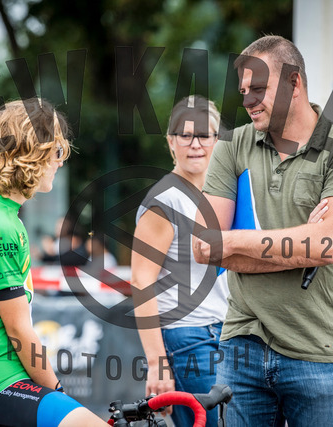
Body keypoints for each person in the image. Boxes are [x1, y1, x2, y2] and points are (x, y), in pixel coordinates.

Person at [192, 35, 333, 425]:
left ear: (294, 82)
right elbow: (204, 247)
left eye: (258, 88)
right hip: (241, 343)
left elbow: (327, 246)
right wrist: (301, 245)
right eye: (243, 91)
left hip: (317, 349)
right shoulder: (231, 145)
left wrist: (234, 244)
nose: (248, 100)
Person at [0, 98, 107, 427]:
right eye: (56, 150)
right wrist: (57, 391)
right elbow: (19, 330)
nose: (61, 161)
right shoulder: (0, 225)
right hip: (0, 383)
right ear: (30, 153)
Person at [130, 95, 229, 427]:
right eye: (185, 135)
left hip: (226, 332)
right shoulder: (166, 201)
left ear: (217, 140)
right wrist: (157, 365)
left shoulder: (222, 196)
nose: (195, 144)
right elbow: (141, 282)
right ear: (171, 142)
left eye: (204, 135)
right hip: (188, 337)